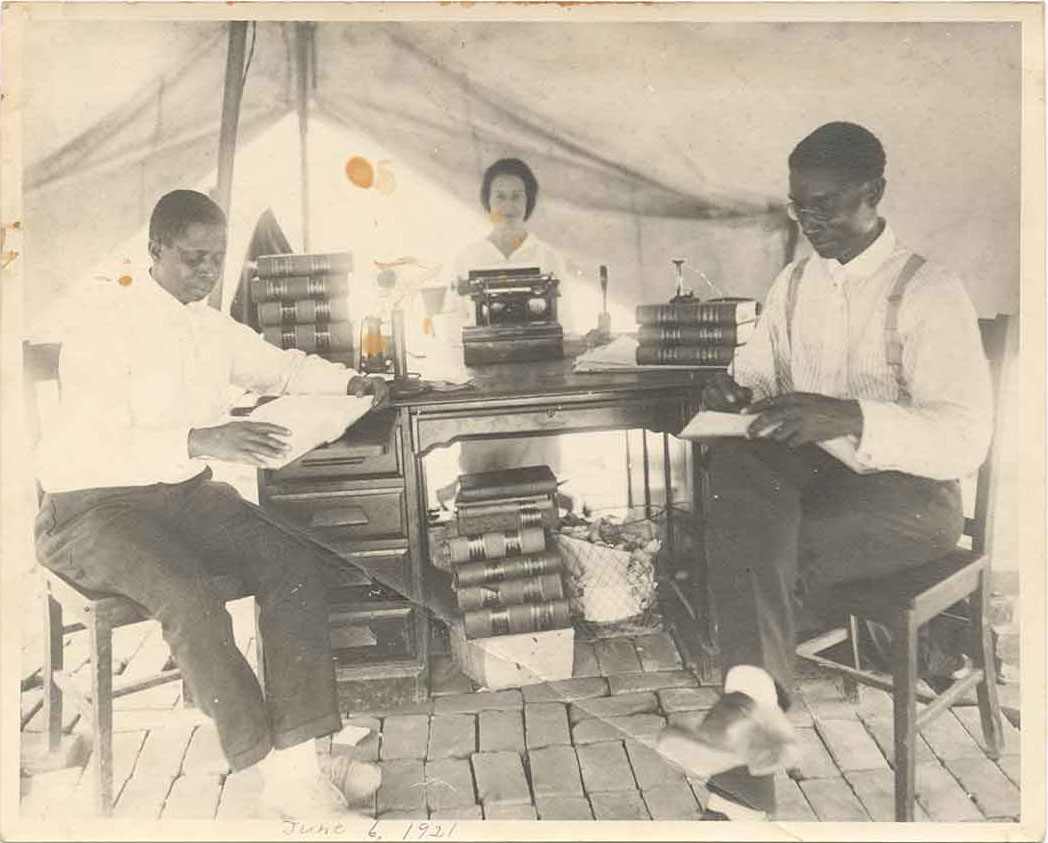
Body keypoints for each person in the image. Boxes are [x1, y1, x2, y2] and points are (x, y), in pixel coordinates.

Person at [656, 122, 993, 816]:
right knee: (742, 464)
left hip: (914, 501)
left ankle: (747, 737)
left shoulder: (931, 292)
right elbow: (756, 369)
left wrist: (851, 417)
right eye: (798, 206)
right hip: (816, 486)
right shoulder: (796, 282)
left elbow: (966, 439)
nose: (812, 223)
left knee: (751, 549)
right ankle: (753, 726)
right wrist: (732, 387)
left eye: (829, 205)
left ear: (875, 193)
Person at [34, 190, 388, 817]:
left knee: (291, 564)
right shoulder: (102, 326)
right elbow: (95, 439)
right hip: (89, 506)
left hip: (179, 492)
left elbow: (280, 370)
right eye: (192, 258)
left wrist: (349, 381)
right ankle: (280, 774)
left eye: (216, 261)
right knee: (188, 592)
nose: (205, 273)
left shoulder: (211, 324)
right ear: (154, 251)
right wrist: (199, 437)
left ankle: (303, 759)